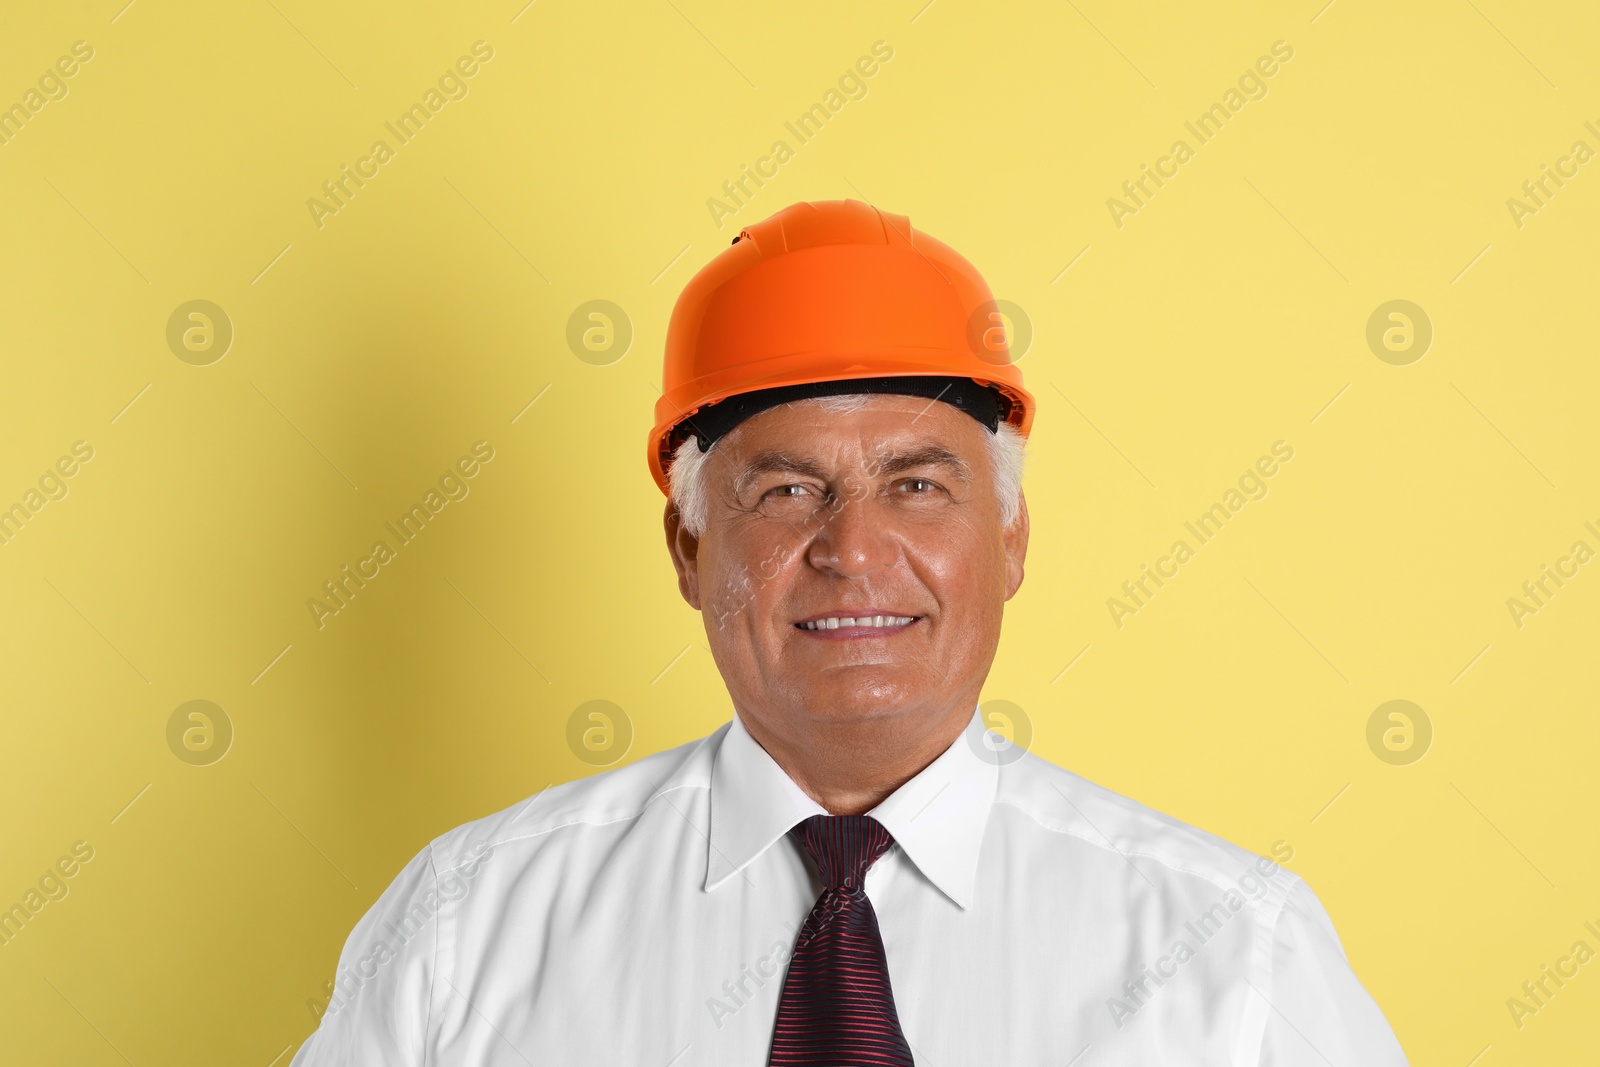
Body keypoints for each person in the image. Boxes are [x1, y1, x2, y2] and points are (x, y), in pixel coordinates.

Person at [291, 199, 1408, 1065]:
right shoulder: (466, 924)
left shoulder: (1228, 946)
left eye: (918, 485)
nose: (854, 549)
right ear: (688, 552)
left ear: (1011, 539)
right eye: (785, 492)